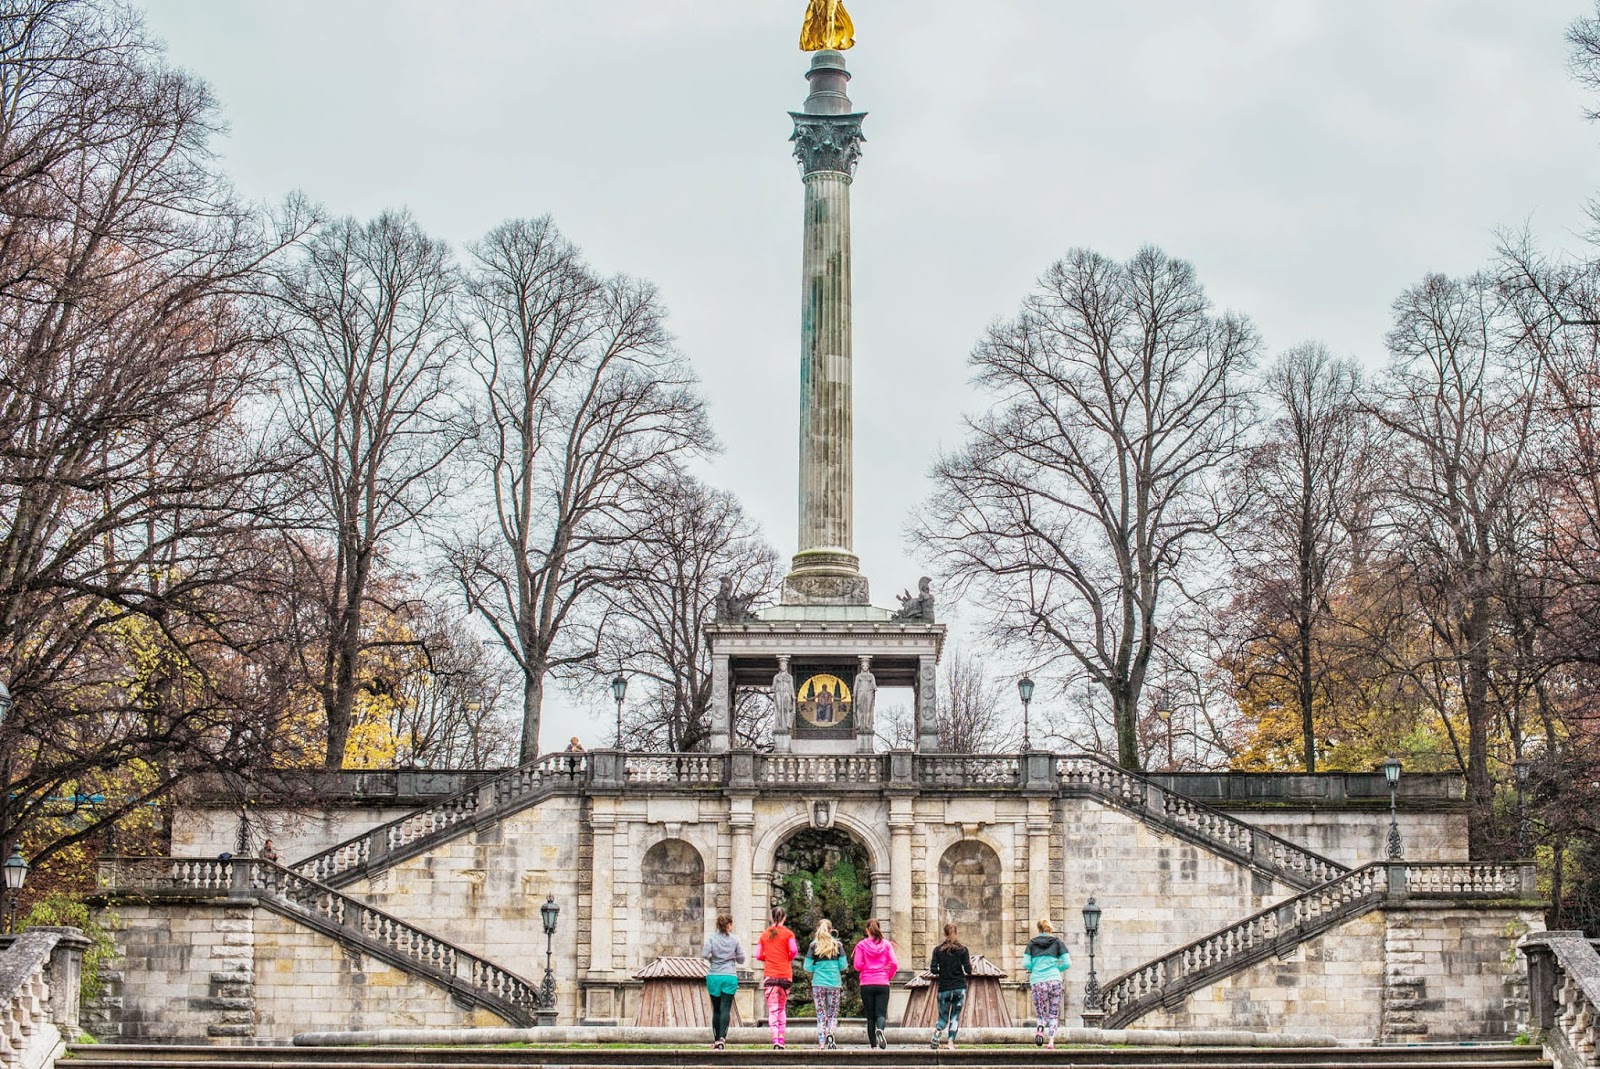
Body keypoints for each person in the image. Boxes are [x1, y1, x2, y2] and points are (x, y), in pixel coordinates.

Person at [1023, 917, 1071, 1049]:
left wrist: (1035, 969)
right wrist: (1056, 969)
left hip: (1038, 981)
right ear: (1050, 928)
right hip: (1055, 980)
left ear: (1038, 929)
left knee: (1040, 1011)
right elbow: (1067, 963)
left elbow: (1025, 963)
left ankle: (1040, 1028)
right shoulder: (1058, 943)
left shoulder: (1032, 943)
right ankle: (1051, 1042)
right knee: (1053, 1013)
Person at [754, 905, 798, 1049]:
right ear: (784, 918)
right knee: (782, 1008)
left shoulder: (764, 934)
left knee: (773, 1009)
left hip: (770, 975)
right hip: (785, 975)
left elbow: (758, 955)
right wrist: (786, 957)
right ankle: (781, 1037)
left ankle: (775, 1040)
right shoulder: (789, 934)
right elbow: (794, 951)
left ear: (771, 918)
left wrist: (769, 956)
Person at [851, 918, 898, 1050]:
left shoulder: (861, 945)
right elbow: (894, 963)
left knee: (870, 1017)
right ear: (879, 928)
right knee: (881, 1013)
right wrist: (888, 976)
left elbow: (857, 966)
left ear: (867, 930)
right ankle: (881, 1030)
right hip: (883, 982)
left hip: (867, 983)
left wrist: (865, 966)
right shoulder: (887, 944)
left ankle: (873, 1047)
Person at [701, 912, 745, 1052]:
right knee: (726, 1008)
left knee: (717, 1009)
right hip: (729, 976)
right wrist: (732, 957)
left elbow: (704, 954)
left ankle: (715, 1040)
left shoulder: (712, 938)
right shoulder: (735, 940)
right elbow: (742, 959)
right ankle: (722, 1039)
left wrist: (712, 959)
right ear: (729, 925)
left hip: (714, 975)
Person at [928, 922, 972, 1050]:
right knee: (955, 1017)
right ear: (956, 933)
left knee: (942, 1016)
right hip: (959, 987)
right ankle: (951, 1043)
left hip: (944, 987)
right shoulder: (963, 950)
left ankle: (937, 1033)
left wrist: (942, 970)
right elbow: (968, 969)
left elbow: (933, 970)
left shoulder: (937, 950)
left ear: (944, 933)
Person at [803, 918, 844, 1049]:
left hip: (818, 984)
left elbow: (807, 967)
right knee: (832, 1013)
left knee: (821, 1013)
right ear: (831, 930)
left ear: (818, 929)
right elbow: (843, 965)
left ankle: (821, 1041)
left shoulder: (813, 945)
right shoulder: (838, 945)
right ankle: (830, 1033)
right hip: (834, 984)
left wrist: (818, 968)